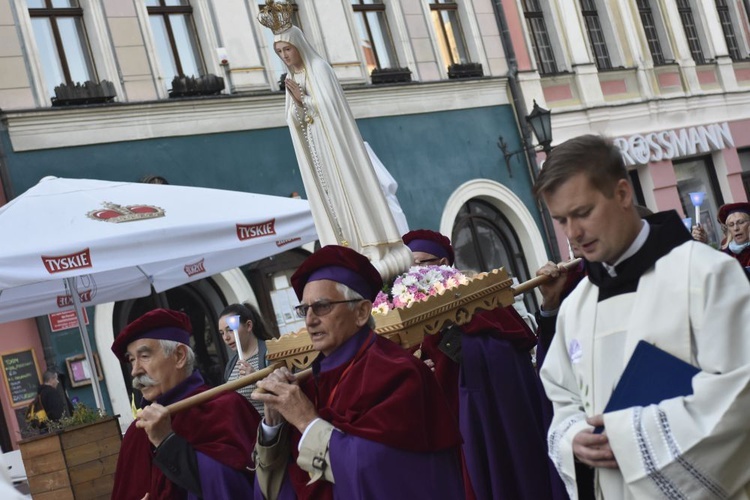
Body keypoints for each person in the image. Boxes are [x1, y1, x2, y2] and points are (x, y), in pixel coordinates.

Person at [534, 134, 750, 499]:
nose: (574, 233)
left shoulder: (706, 275)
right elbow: (562, 398)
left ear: (621, 194)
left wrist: (630, 436)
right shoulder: (577, 305)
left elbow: (740, 396)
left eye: (583, 213)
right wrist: (573, 439)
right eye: (561, 220)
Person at [251, 245, 464, 499]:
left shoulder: (398, 372)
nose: (309, 320)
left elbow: (379, 472)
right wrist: (273, 426)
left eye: (322, 306)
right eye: (304, 310)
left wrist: (306, 421)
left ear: (362, 312)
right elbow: (282, 483)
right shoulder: (310, 381)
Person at [402, 229, 563, 500]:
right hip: (442, 424)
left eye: (419, 264)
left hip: (482, 415)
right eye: (407, 267)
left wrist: (457, 350)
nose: (412, 273)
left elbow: (503, 357)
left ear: (442, 265)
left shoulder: (480, 299)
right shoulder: (405, 311)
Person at [258, 1, 412, 279]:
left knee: (349, 194)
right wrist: (297, 106)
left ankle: (369, 244)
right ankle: (346, 247)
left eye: (287, 49)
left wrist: (303, 101)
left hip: (336, 151)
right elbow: (294, 119)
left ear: (299, 46)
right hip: (318, 155)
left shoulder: (319, 69)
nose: (284, 56)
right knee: (330, 202)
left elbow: (330, 111)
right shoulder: (293, 78)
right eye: (279, 52)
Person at [111, 308, 261, 499]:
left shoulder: (226, 407)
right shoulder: (137, 432)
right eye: (132, 360)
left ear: (180, 356)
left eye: (144, 356)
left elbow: (232, 487)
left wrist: (167, 442)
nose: (135, 370)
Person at [219, 302, 273, 415]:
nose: (226, 337)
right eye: (222, 333)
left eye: (230, 330)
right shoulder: (231, 365)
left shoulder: (271, 353)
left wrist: (256, 379)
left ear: (248, 325)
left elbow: (284, 393)